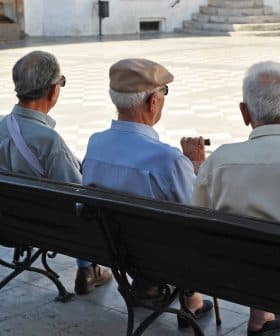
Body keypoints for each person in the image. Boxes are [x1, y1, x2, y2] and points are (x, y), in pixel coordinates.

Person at [83, 58, 212, 319]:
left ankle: (159, 289)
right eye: (163, 93)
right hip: (162, 260)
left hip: (114, 252)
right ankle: (192, 299)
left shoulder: (94, 145)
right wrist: (196, 165)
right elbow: (198, 216)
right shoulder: (168, 160)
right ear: (153, 102)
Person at [0, 50, 112, 296]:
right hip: (46, 229)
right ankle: (88, 269)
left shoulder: (1, 125)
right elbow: (80, 199)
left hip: (7, 224)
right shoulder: (49, 142)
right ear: (52, 90)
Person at [188, 61, 280, 336]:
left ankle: (259, 316)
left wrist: (197, 167)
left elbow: (196, 221)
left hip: (237, 277)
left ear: (244, 112)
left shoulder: (219, 162)